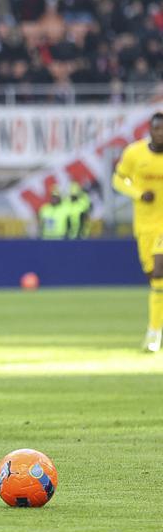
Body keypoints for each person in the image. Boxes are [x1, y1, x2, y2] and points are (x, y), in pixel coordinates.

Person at [113, 112, 163, 352]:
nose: (161, 133)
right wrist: (139, 194)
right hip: (144, 225)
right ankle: (155, 327)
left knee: (160, 272)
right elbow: (118, 180)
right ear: (150, 130)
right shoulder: (135, 153)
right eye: (158, 129)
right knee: (153, 277)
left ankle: (154, 335)